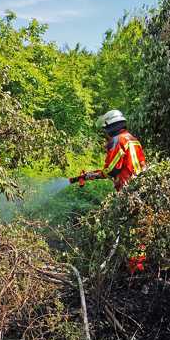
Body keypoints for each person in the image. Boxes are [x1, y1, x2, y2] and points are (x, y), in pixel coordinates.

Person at [69, 109, 148, 273]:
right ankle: (136, 266)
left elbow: (112, 169)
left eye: (105, 130)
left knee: (128, 229)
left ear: (110, 126)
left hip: (129, 190)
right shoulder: (133, 139)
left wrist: (91, 175)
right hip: (143, 188)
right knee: (139, 230)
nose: (105, 134)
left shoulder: (117, 140)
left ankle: (133, 269)